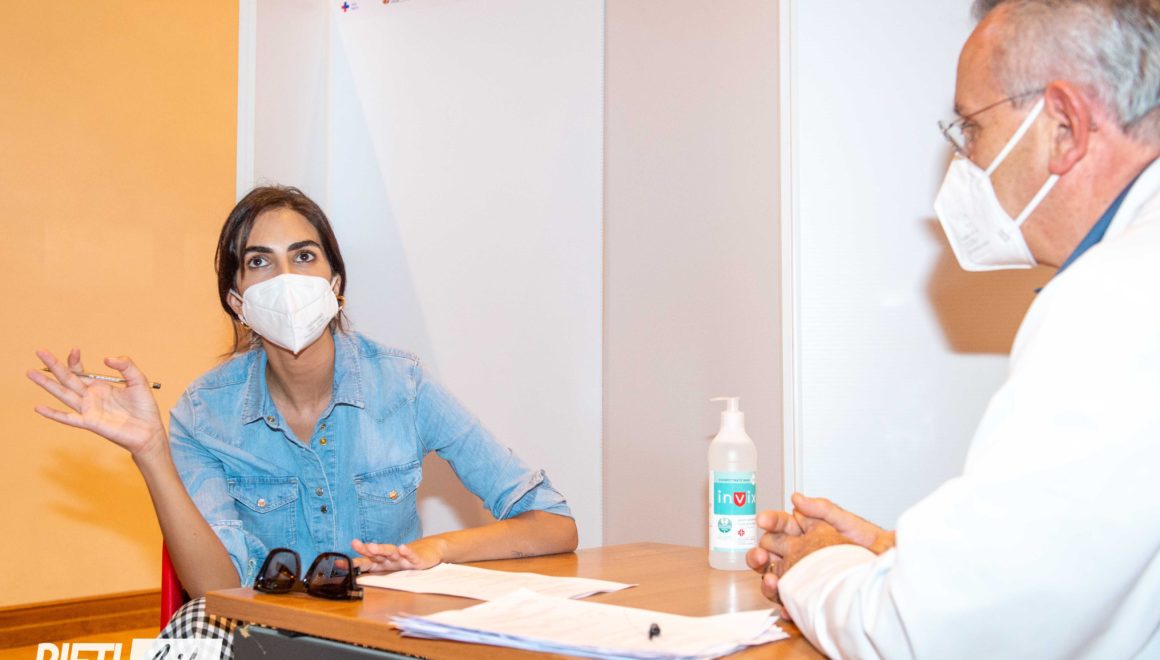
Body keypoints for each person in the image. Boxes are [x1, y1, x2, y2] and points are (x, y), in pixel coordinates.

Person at [747, 1, 1160, 658]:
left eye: (971, 128)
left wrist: (816, 565)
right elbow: (1093, 572)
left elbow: (930, 635)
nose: (962, 159)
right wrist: (895, 559)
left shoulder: (1112, 300)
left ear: (1064, 126)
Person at [27, 185, 578, 654]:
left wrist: (436, 551)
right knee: (194, 630)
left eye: (305, 255)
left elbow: (553, 523)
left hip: (385, 637)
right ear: (237, 301)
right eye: (259, 262)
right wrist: (151, 452)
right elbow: (216, 591)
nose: (286, 277)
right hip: (267, 639)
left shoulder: (403, 384)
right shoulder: (204, 412)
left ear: (335, 284)